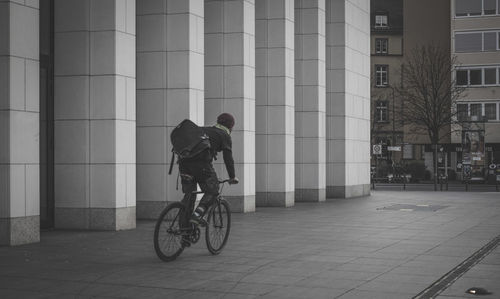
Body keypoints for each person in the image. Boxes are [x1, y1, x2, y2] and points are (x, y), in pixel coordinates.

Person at [178, 113, 239, 244]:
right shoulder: (225, 135)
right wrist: (232, 176)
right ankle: (197, 215)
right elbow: (228, 159)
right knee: (213, 189)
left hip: (183, 165)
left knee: (189, 196)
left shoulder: (203, 130)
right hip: (201, 167)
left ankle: (185, 233)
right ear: (230, 126)